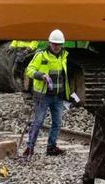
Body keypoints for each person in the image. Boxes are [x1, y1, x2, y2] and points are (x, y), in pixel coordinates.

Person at [23, 29, 70, 158]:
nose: (56, 47)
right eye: (54, 44)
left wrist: (69, 94)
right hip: (43, 96)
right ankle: (29, 148)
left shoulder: (64, 56)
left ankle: (51, 147)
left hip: (58, 96)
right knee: (38, 122)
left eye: (58, 44)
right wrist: (41, 75)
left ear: (62, 45)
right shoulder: (41, 55)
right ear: (49, 43)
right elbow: (29, 70)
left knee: (57, 123)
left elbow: (64, 76)